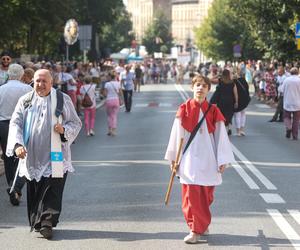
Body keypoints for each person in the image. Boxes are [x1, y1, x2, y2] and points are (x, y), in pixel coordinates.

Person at [6, 69, 81, 239]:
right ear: (33, 81)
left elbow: (75, 123)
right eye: (37, 81)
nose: (40, 84)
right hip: (32, 155)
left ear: (51, 82)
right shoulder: (25, 100)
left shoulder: (62, 99)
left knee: (52, 188)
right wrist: (17, 144)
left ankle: (47, 222)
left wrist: (64, 130)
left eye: (44, 81)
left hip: (55, 156)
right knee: (35, 189)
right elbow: (15, 123)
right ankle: (37, 221)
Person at [165, 74, 235, 244]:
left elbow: (221, 136)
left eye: (204, 85)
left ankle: (202, 223)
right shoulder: (184, 108)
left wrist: (222, 159)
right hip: (189, 159)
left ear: (208, 89)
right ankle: (194, 230)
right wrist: (174, 158)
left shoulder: (213, 110)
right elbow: (176, 134)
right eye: (197, 85)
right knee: (190, 196)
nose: (200, 88)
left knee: (206, 196)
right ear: (192, 87)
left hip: (208, 158)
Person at [0, 64, 32, 205]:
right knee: (25, 157)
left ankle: (12, 184)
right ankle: (16, 186)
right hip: (22, 125)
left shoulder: (1, 89)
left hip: (3, 124)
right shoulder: (27, 89)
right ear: (21, 75)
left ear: (8, 74)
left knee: (8, 158)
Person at [211, 69, 238, 135]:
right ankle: (229, 128)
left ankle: (223, 130)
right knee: (229, 115)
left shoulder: (220, 81)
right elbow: (235, 93)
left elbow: (210, 80)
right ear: (229, 74)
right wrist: (236, 102)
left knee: (222, 115)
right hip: (230, 101)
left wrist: (217, 75)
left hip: (221, 101)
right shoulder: (232, 83)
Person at [278, 67, 300, 140]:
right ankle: (295, 135)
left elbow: (281, 89)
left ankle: (289, 127)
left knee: (286, 117)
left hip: (287, 102)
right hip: (297, 103)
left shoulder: (286, 80)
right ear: (297, 73)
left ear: (290, 73)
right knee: (296, 120)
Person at [104, 71, 122, 136]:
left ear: (109, 77)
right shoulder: (118, 83)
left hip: (109, 100)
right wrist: (121, 99)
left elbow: (105, 94)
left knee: (109, 116)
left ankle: (109, 130)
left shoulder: (107, 84)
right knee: (114, 116)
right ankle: (114, 130)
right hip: (116, 100)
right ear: (115, 77)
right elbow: (120, 93)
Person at [233, 70, 250, 136]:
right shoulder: (245, 81)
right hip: (244, 100)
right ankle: (242, 130)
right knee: (243, 114)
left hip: (238, 99)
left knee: (237, 115)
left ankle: (238, 131)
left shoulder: (235, 82)